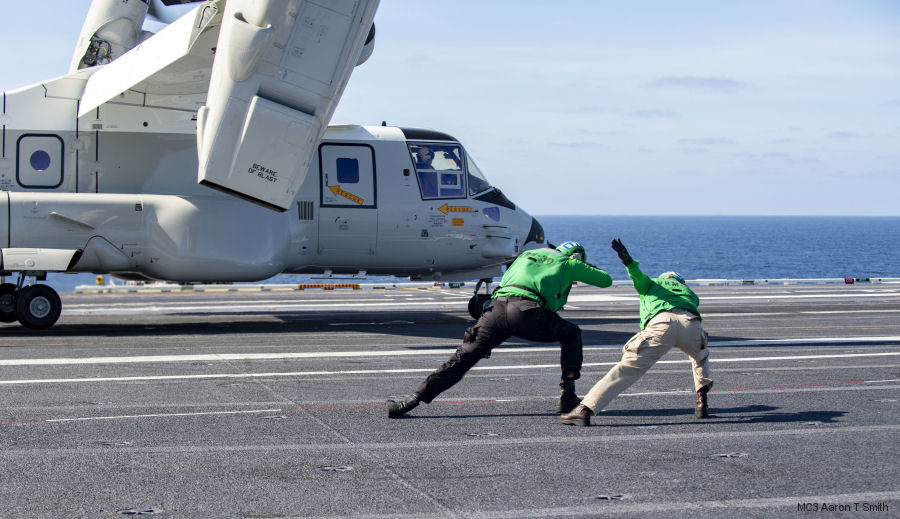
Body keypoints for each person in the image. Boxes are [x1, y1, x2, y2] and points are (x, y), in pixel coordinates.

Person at [386, 241, 613, 418]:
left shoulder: (526, 255)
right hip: (527, 311)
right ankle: (568, 396)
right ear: (577, 256)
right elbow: (606, 281)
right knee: (572, 334)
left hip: (495, 311)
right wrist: (585, 267)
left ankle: (411, 401)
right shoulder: (569, 264)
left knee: (462, 358)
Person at [560, 238, 713, 426]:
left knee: (627, 369)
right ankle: (701, 401)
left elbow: (635, 273)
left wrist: (626, 259)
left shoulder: (652, 283)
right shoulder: (688, 292)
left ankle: (584, 410)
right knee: (701, 357)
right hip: (691, 323)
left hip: (661, 323)